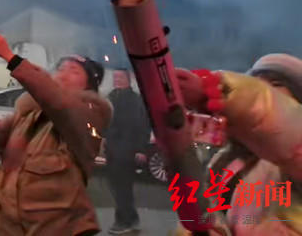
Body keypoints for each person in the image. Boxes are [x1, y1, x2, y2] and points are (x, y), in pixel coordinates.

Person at [0, 33, 112, 236]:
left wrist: (11, 58)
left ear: (89, 85)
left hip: (58, 226)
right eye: (60, 68)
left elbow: (59, 103)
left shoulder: (90, 112)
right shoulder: (30, 112)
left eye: (74, 71)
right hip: (11, 223)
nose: (63, 74)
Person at [173, 54, 302, 236]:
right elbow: (210, 215)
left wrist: (217, 90)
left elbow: (285, 123)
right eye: (255, 82)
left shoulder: (294, 159)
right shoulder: (227, 160)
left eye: (276, 85)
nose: (264, 89)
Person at [104, 69, 151, 235]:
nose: (117, 80)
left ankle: (123, 221)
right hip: (113, 149)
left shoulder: (134, 100)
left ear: (129, 79)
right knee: (118, 187)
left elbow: (143, 126)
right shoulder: (111, 96)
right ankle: (131, 219)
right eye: (115, 77)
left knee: (122, 188)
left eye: (120, 77)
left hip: (127, 151)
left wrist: (140, 149)